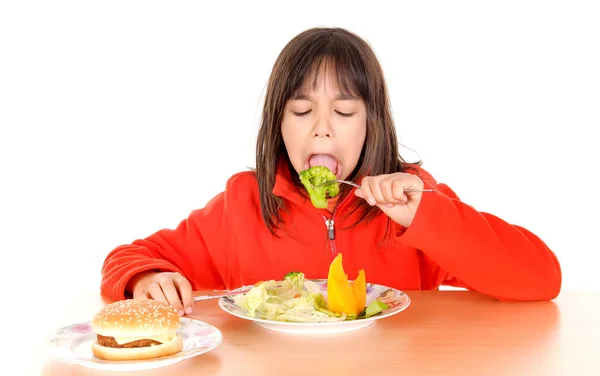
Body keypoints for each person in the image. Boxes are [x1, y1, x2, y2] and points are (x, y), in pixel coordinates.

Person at [100, 27, 561, 316]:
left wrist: (428, 217)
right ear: (278, 125)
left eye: (343, 112)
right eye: (301, 111)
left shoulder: (411, 200)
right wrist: (147, 277)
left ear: (371, 122)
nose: (321, 132)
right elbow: (128, 257)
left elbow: (541, 278)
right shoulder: (244, 203)